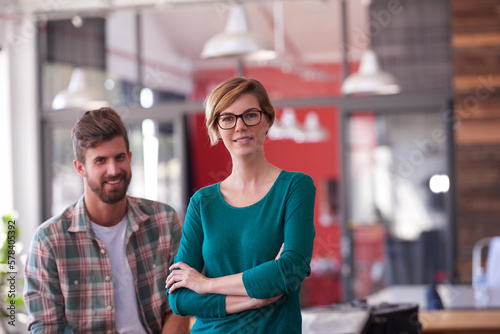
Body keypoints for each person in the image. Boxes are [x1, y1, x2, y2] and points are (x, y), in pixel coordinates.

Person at [165, 77, 316, 333]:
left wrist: (207, 285)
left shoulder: (295, 187)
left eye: (250, 115)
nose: (240, 126)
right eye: (228, 118)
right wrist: (257, 297)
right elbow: (179, 298)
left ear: (267, 120)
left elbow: (291, 269)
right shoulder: (203, 202)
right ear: (217, 128)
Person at [24, 107, 190, 333]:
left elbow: (179, 305)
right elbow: (46, 328)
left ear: (129, 158)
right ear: (80, 167)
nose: (113, 170)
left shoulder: (164, 221)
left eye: (119, 157)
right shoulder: (49, 242)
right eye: (100, 160)